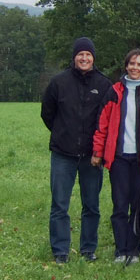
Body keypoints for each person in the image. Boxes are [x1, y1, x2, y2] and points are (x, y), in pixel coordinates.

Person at [91, 49, 140, 264]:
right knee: (120, 205)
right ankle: (120, 249)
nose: (135, 67)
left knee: (138, 205)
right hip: (119, 158)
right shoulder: (113, 92)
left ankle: (134, 250)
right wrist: (97, 152)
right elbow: (101, 125)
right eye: (132, 63)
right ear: (126, 66)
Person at [41, 37, 112, 264]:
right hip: (63, 154)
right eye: (80, 54)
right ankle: (60, 251)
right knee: (60, 204)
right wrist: (63, 133)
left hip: (92, 156)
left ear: (93, 57)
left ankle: (88, 249)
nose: (84, 58)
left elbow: (108, 118)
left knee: (91, 204)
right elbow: (47, 113)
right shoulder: (59, 82)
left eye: (88, 55)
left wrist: (98, 149)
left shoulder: (103, 84)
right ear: (74, 57)